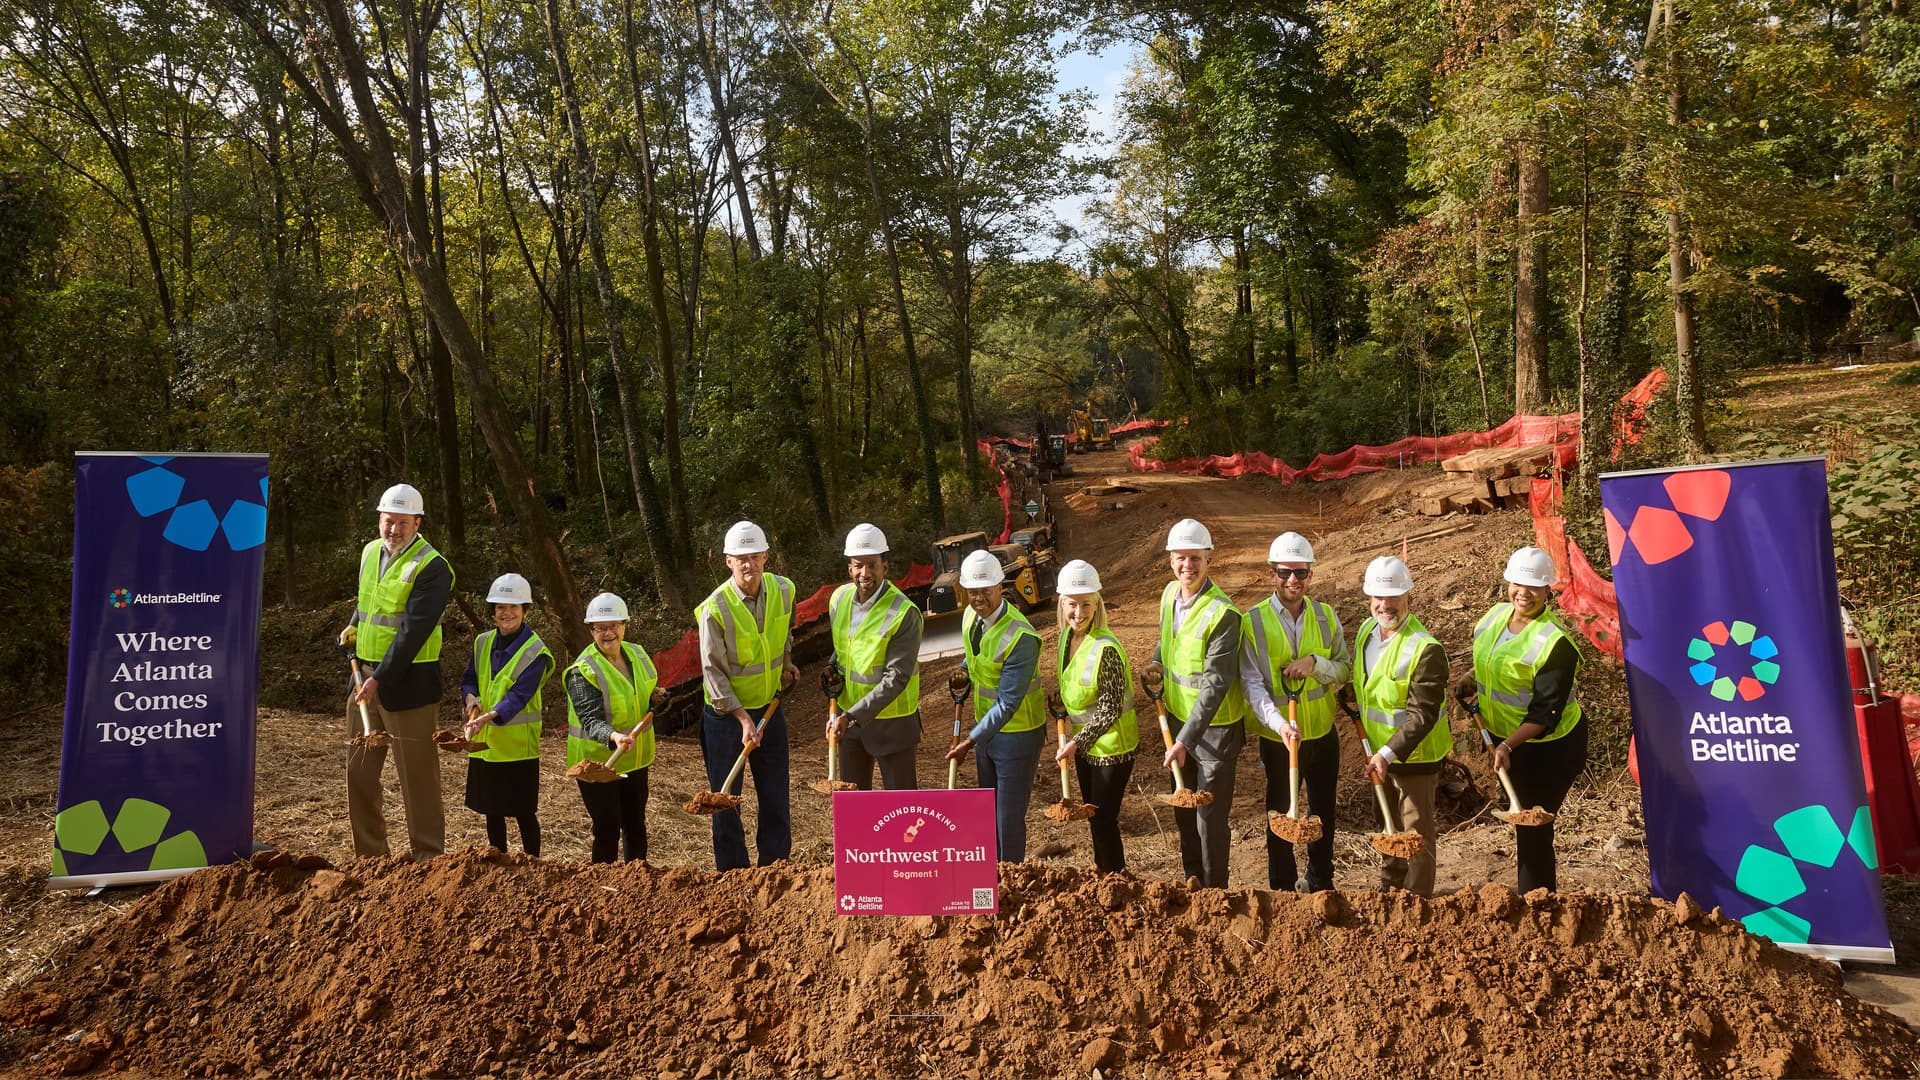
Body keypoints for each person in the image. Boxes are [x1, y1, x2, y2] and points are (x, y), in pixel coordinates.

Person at [1457, 546, 1587, 894]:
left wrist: (1507, 744)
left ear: (1548, 591)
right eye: (1517, 583)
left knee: (1532, 825)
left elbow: (1547, 714)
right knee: (1524, 823)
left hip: (1549, 749)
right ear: (1508, 582)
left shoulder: (1554, 644)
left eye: (1534, 586)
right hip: (1509, 744)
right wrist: (1472, 677)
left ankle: (1539, 903)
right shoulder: (1494, 618)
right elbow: (1496, 660)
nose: (1523, 593)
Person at [338, 483, 453, 862]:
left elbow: (413, 632)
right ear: (379, 519)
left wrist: (379, 679)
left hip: (408, 683)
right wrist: (355, 622)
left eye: (403, 523)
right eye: (389, 521)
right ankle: (371, 858)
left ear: (417, 523)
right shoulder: (371, 552)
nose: (394, 530)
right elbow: (368, 599)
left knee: (416, 778)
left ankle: (428, 859)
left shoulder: (433, 567)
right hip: (364, 677)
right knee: (360, 772)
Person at [1240, 532, 1350, 893]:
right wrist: (1279, 724)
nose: (1293, 580)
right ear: (1272, 573)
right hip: (1279, 739)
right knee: (1280, 814)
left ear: (1311, 575)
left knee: (1323, 813)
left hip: (1321, 733)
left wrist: (1314, 663)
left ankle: (1321, 880)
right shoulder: (1252, 621)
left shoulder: (1325, 616)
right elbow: (1252, 684)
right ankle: (1283, 886)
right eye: (1285, 572)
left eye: (1300, 573)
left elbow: (1344, 669)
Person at [695, 521, 797, 871]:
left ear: (766, 556)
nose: (749, 564)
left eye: (755, 556)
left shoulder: (784, 590)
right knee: (726, 802)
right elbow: (713, 673)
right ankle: (734, 877)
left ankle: (775, 870)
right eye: (741, 558)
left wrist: (787, 660)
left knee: (775, 798)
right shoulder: (715, 608)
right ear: (728, 561)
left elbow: (784, 629)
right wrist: (742, 719)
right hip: (726, 719)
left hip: (770, 709)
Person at [1153, 517, 1246, 888]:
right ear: (1170, 560)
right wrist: (1156, 663)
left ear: (1209, 559)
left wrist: (1184, 740)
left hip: (1215, 733)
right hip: (1177, 721)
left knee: (1208, 818)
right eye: (1180, 558)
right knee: (1183, 809)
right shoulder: (1168, 595)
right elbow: (1168, 640)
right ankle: (1193, 881)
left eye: (1195, 558)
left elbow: (1215, 684)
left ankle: (1214, 890)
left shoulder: (1223, 614)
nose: (1187, 566)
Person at [1351, 555, 1451, 897]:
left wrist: (1387, 753)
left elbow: (1422, 715)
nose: (1384, 605)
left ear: (1409, 596)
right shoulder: (1367, 632)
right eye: (1378, 598)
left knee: (1415, 833)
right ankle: (1390, 888)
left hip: (1414, 757)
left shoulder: (1425, 649)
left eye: (1393, 597)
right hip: (1377, 752)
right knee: (1388, 825)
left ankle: (1417, 899)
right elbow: (1375, 683)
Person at [946, 549, 1045, 863]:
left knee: (1007, 817)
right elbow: (978, 659)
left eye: (985, 590)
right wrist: (963, 669)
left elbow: (1008, 703)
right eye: (973, 591)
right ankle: (991, 876)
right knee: (987, 813)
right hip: (985, 731)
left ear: (1000, 586)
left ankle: (1011, 880)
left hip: (1017, 734)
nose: (979, 598)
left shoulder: (1021, 637)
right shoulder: (970, 618)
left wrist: (970, 740)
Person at [457, 573, 554, 856]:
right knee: (492, 810)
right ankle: (497, 862)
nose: (506, 612)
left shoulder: (536, 651)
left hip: (518, 748)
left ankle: (533, 863)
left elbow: (520, 695)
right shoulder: (483, 642)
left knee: (523, 812)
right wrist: (471, 701)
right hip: (485, 745)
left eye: (513, 607)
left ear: (525, 610)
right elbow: (469, 680)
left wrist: (493, 714)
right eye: (500, 606)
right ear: (493, 611)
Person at [1051, 559, 1137, 874]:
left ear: (1097, 603)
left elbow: (1110, 706)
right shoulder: (1064, 639)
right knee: (1094, 819)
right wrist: (1060, 705)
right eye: (1072, 604)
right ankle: (1103, 876)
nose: (1078, 612)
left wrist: (1075, 742)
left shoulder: (1106, 648)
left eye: (1086, 604)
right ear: (1061, 603)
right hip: (1085, 744)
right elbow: (1072, 683)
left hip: (1113, 746)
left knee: (1103, 819)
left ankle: (1116, 880)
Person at [824, 523, 923, 790]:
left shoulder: (905, 613)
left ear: (885, 567)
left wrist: (850, 716)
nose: (864, 573)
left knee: (901, 810)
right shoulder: (838, 599)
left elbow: (897, 678)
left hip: (893, 724)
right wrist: (832, 666)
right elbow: (846, 645)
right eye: (858, 565)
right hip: (850, 726)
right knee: (854, 809)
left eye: (872, 565)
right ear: (849, 568)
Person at [566, 592, 661, 863]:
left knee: (635, 824)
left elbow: (644, 692)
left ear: (624, 625)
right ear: (591, 630)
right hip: (597, 764)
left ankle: (636, 881)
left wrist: (657, 698)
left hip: (634, 759)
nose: (608, 633)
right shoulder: (583, 669)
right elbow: (589, 718)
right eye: (600, 627)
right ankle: (601, 888)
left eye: (614, 626)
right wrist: (614, 736)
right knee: (607, 827)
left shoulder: (637, 654)